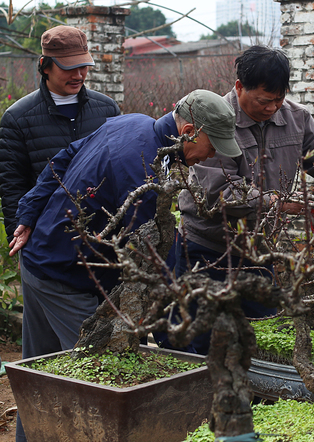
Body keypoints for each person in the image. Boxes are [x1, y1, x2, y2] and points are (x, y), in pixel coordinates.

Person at [8, 89, 240, 442]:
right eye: (211, 145)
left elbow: (65, 155)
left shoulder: (134, 123)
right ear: (189, 130)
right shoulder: (142, 169)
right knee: (92, 381)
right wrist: (176, 343)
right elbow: (150, 265)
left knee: (40, 381)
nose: (211, 155)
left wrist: (29, 212)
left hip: (41, 257)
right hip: (67, 277)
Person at [163, 45, 314, 354]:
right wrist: (276, 202)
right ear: (239, 87)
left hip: (258, 251)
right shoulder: (215, 120)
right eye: (264, 100)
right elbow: (219, 192)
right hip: (206, 249)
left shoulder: (297, 118)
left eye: (279, 99)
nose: (272, 108)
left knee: (259, 340)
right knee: (197, 344)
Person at [0, 25, 120, 238]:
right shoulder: (18, 118)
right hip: (47, 237)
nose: (78, 74)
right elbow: (12, 188)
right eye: (68, 67)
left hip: (102, 234)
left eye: (83, 66)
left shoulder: (107, 109)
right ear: (45, 66)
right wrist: (18, 240)